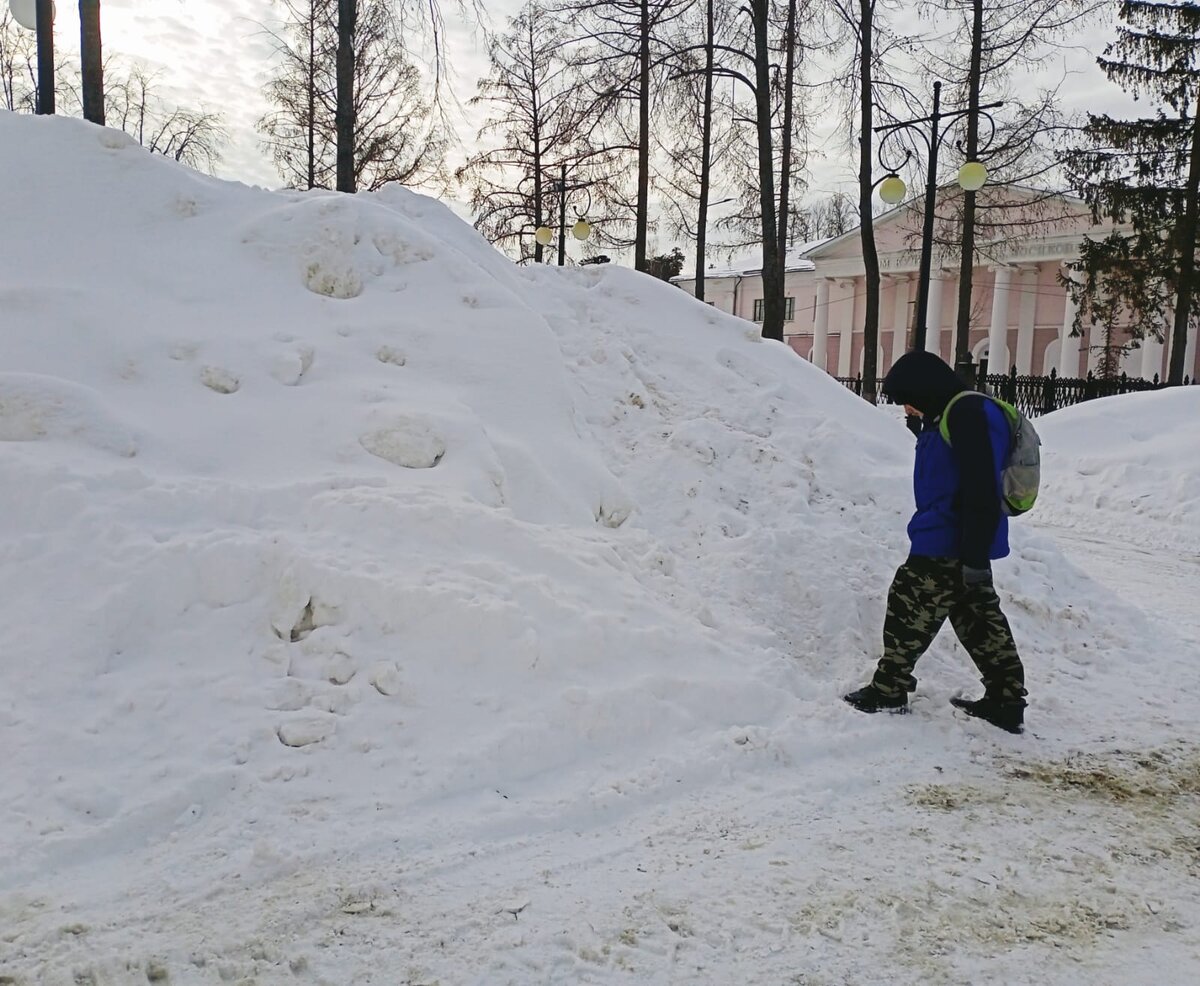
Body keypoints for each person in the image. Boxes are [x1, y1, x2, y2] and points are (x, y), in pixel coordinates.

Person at [844, 351, 1027, 733]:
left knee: (907, 607)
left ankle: (889, 689)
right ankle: (1005, 700)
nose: (906, 409)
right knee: (977, 618)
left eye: (906, 398)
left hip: (949, 538)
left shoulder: (966, 413)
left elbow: (980, 484)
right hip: (955, 535)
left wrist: (974, 553)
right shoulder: (947, 414)